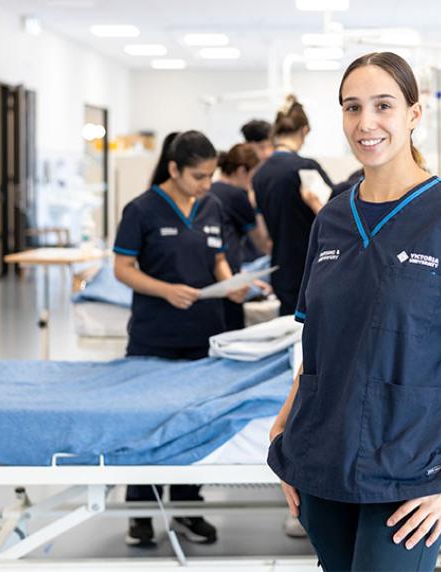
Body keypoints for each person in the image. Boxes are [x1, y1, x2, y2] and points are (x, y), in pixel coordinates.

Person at [267, 52, 441, 571]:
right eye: (351, 107)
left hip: (410, 471)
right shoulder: (333, 219)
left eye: (383, 105)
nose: (366, 123)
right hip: (319, 457)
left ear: (413, 113)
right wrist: (282, 431)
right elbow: (317, 342)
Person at [113, 130, 247, 548]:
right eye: (197, 176)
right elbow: (123, 268)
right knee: (149, 423)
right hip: (155, 335)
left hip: (204, 334)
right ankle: (141, 512)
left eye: (210, 175)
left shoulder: (212, 205)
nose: (206, 184)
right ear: (173, 169)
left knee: (194, 424)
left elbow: (218, 256)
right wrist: (164, 289)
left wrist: (231, 284)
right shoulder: (141, 210)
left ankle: (189, 506)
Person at [251, 95, 335, 316]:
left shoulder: (259, 175)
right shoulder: (306, 168)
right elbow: (336, 216)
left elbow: (262, 235)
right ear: (304, 131)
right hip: (311, 268)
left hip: (282, 268)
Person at [210, 143, 273, 330]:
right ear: (241, 171)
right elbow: (262, 241)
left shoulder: (211, 191)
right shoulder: (237, 196)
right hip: (229, 278)